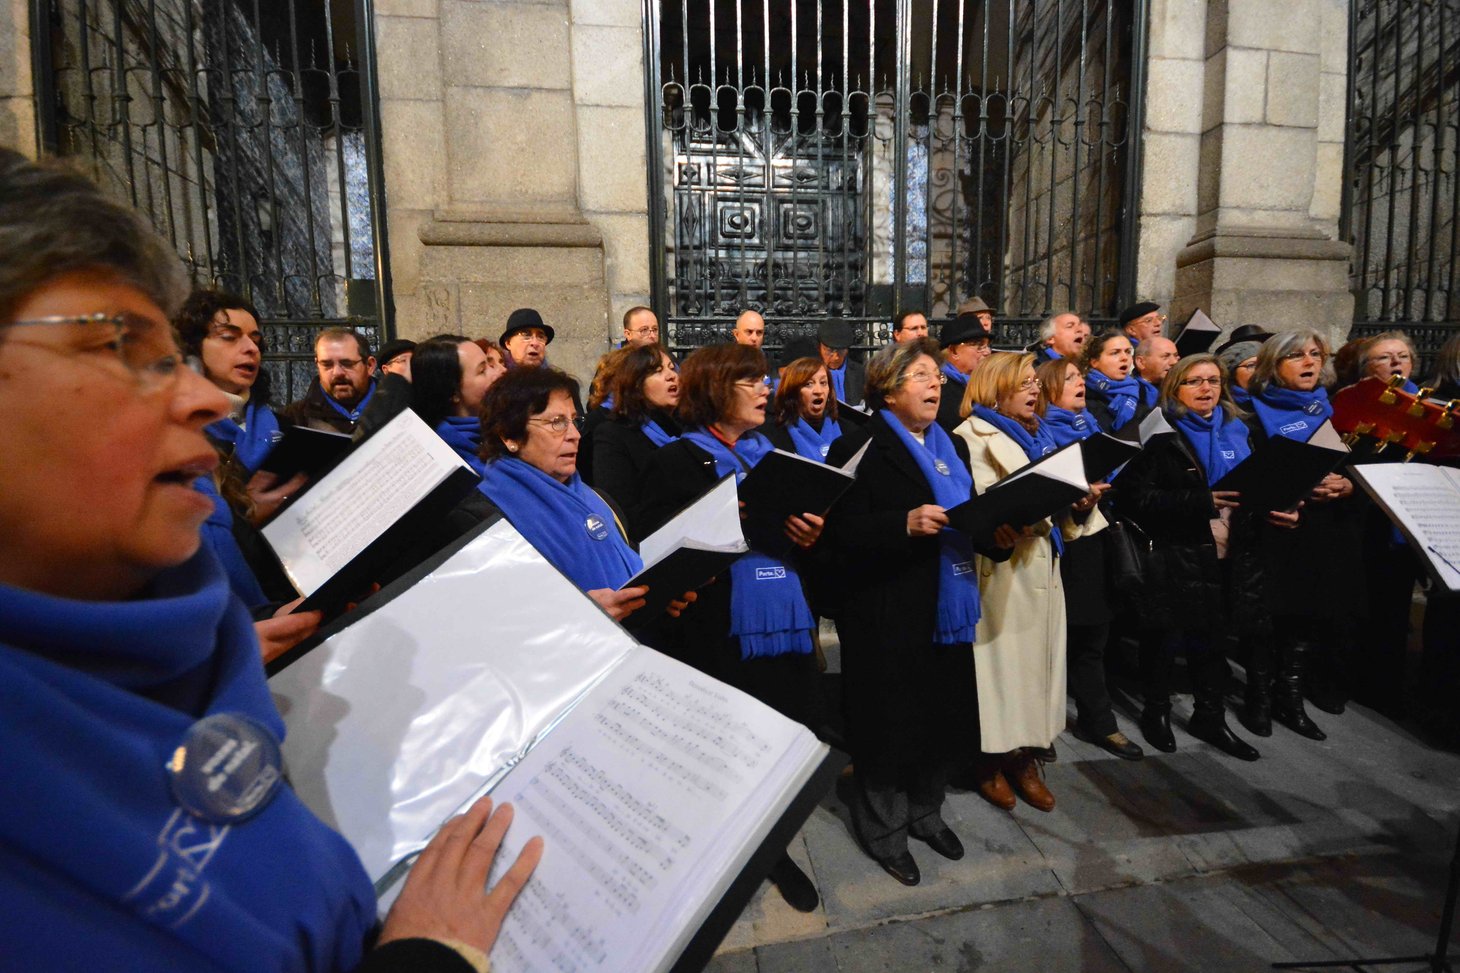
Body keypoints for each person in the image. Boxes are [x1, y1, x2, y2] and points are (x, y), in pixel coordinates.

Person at [0, 147, 541, 972]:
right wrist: (427, 956)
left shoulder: (197, 639)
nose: (201, 399)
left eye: (173, 357)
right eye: (119, 349)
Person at [635, 342, 824, 911]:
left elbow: (803, 538)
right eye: (750, 381)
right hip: (716, 628)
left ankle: (772, 846)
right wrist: (722, 519)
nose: (765, 389)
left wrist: (810, 533)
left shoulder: (777, 452)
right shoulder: (675, 460)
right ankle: (723, 852)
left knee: (782, 736)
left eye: (764, 379)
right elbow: (653, 549)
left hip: (786, 618)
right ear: (716, 390)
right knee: (725, 749)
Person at [820, 338, 1013, 887]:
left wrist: (999, 535)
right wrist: (899, 525)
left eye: (938, 377)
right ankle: (884, 829)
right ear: (888, 388)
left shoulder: (951, 444)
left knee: (937, 716)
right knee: (886, 723)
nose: (936, 385)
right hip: (885, 608)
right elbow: (834, 533)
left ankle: (926, 812)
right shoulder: (856, 447)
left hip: (947, 604)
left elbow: (969, 516)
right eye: (923, 376)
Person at [953, 352, 1108, 811]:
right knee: (1003, 673)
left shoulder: (1042, 435)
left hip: (1043, 563)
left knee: (1038, 670)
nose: (1034, 390)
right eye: (1023, 383)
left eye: (1034, 383)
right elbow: (980, 503)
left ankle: (1025, 756)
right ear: (995, 389)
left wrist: (1078, 504)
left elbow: (1055, 503)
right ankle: (989, 760)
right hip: (1004, 571)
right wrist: (1010, 515)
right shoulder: (971, 436)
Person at [1114, 354, 1284, 761]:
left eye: (1213, 380)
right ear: (1174, 388)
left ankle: (1210, 716)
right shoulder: (1157, 431)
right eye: (1194, 381)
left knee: (1212, 640)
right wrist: (1201, 501)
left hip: (1231, 550)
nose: (1206, 389)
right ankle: (1156, 712)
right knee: (1163, 637)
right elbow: (1134, 497)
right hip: (1176, 550)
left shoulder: (1240, 429)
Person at [1243, 329, 1360, 735]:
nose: (1309, 362)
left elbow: (1355, 468)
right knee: (1267, 618)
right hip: (1274, 527)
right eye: (1296, 355)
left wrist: (1348, 485)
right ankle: (1258, 697)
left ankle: (1289, 697)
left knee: (1304, 618)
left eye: (1315, 354)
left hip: (1321, 530)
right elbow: (1244, 477)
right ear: (1273, 365)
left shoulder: (1332, 411)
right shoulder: (1250, 412)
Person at [476, 366, 660, 624]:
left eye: (574, 421)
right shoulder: (486, 517)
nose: (574, 435)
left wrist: (660, 594)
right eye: (557, 423)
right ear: (509, 435)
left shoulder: (596, 499)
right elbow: (495, 619)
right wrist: (578, 613)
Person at [1035, 357, 1142, 760]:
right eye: (1069, 379)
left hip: (1095, 538)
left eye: (1080, 376)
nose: (1080, 382)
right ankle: (1039, 729)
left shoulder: (1091, 424)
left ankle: (1099, 722)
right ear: (1048, 388)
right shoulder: (1044, 430)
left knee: (1093, 637)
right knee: (1054, 642)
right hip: (1061, 544)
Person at [590, 342, 681, 537]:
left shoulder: (687, 426)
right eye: (657, 371)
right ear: (636, 384)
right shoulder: (613, 434)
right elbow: (620, 510)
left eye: (672, 368)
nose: (671, 376)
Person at [410, 334, 505, 474]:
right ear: (453, 392)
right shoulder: (443, 459)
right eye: (482, 370)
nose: (501, 372)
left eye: (490, 364)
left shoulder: (499, 427)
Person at [282, 328, 377, 433]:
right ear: (317, 365)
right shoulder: (292, 419)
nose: (337, 373)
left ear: (369, 365)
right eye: (327, 365)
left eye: (347, 364)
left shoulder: (391, 412)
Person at [766, 355, 842, 462]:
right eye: (808, 384)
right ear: (792, 392)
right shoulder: (775, 435)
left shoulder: (845, 427)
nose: (819, 391)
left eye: (823, 383)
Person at [1081, 331, 1153, 433]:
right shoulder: (1082, 393)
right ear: (1094, 362)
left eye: (1128, 352)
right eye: (1115, 353)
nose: (1124, 358)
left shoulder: (1138, 389)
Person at [936, 310, 994, 431]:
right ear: (954, 351)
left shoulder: (984, 382)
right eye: (979, 346)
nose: (987, 352)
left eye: (987, 346)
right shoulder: (940, 389)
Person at [818, 319, 865, 407]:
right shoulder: (811, 372)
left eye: (841, 351)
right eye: (830, 351)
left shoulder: (861, 372)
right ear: (820, 347)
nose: (836, 357)